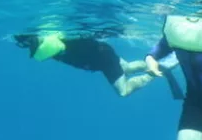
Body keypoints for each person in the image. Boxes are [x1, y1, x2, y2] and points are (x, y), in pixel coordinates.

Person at [13, 32, 156, 97]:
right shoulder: (56, 44)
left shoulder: (55, 46)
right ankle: (151, 64)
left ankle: (152, 74)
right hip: (103, 53)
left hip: (103, 60)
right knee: (127, 68)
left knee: (123, 91)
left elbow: (46, 46)